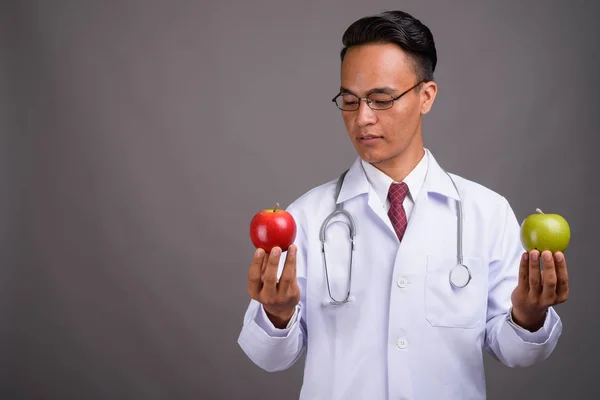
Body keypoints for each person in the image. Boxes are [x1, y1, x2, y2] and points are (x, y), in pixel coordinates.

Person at [237, 10, 569, 400]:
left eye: (381, 99)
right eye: (349, 100)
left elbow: (516, 353)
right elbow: (270, 357)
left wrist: (529, 317)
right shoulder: (308, 217)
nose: (362, 118)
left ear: (425, 96)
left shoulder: (486, 213)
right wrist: (276, 314)